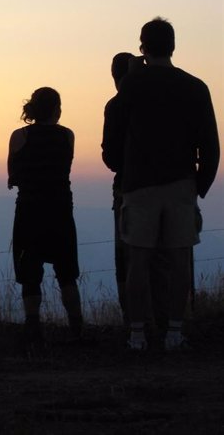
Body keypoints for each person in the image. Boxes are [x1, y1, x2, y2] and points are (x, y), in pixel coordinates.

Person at [103, 17, 220, 351]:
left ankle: (138, 333)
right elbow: (209, 143)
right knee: (179, 258)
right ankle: (174, 331)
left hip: (138, 185)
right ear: (173, 46)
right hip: (182, 183)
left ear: (142, 47)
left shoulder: (130, 88)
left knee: (138, 259)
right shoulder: (195, 87)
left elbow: (112, 140)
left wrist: (123, 171)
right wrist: (200, 183)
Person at [8, 87, 83, 346]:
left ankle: (33, 329)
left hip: (29, 210)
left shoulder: (19, 136)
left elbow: (13, 175)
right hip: (60, 209)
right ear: (57, 109)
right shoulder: (67, 136)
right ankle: (77, 328)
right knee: (67, 273)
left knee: (29, 273)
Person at [102, 52, 135, 326]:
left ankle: (131, 320)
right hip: (177, 186)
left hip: (127, 189)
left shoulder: (116, 105)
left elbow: (110, 157)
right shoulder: (163, 100)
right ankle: (171, 321)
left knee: (126, 257)